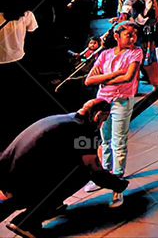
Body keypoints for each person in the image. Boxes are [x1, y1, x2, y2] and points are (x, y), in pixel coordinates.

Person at [0, 100, 129, 237]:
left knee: (68, 164)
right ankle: (26, 222)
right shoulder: (83, 130)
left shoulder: (65, 119)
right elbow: (94, 169)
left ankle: (51, 206)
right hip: (22, 183)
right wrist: (118, 184)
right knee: (82, 174)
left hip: (7, 172)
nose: (102, 124)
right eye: (104, 119)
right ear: (98, 115)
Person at [82, 21, 142, 204]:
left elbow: (128, 76)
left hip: (121, 101)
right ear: (117, 36)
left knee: (119, 141)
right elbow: (88, 80)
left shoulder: (136, 53)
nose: (132, 38)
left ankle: (117, 180)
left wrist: (103, 79)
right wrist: (112, 76)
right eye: (128, 35)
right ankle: (105, 174)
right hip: (103, 102)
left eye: (134, 34)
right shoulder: (105, 54)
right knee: (105, 139)